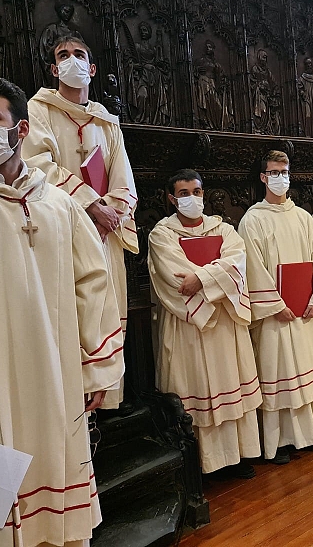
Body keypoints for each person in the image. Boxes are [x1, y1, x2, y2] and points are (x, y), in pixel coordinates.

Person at [0, 78, 124, 547]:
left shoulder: (59, 204)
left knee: (59, 515)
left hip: (57, 375)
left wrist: (97, 368)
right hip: (2, 377)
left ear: (21, 129)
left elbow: (94, 284)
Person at [22, 35, 138, 409]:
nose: (71, 60)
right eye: (63, 56)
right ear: (55, 69)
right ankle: (75, 399)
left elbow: (123, 177)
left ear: (91, 69)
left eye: (79, 55)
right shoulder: (39, 110)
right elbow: (37, 164)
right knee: (72, 309)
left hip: (107, 233)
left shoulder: (107, 122)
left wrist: (112, 215)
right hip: (65, 229)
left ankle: (107, 397)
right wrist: (90, 206)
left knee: (107, 307)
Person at [148, 169, 262, 477]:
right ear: (172, 199)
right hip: (191, 324)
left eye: (196, 192)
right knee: (195, 384)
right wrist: (213, 279)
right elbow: (172, 274)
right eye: (183, 194)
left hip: (223, 322)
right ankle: (202, 463)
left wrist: (200, 277)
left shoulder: (222, 229)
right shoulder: (161, 234)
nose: (192, 198)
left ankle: (238, 455)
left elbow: (238, 259)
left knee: (230, 381)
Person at [238, 150, 313, 464]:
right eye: (274, 172)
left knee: (308, 368)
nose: (281, 177)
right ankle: (279, 442)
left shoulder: (303, 217)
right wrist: (274, 304)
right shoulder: (252, 219)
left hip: (305, 311)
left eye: (285, 171)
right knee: (277, 371)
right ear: (263, 177)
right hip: (275, 315)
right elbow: (252, 267)